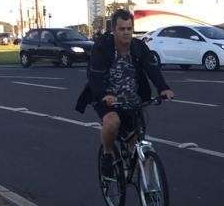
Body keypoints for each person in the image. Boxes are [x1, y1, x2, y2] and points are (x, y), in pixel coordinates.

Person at [75, 9, 174, 176]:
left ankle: (144, 183)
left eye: (129, 28)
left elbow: (152, 68)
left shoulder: (138, 47)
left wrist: (163, 88)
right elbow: (95, 76)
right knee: (112, 122)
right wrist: (103, 95)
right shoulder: (102, 47)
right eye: (122, 29)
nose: (126, 33)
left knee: (136, 140)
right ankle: (107, 154)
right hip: (106, 98)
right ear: (114, 30)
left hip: (132, 98)